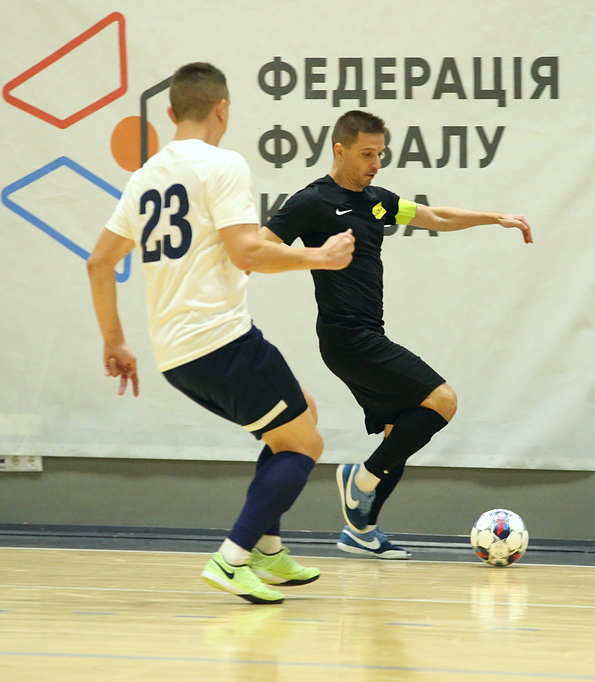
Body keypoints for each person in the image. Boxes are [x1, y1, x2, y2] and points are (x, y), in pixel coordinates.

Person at [86, 63, 355, 603]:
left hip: (175, 354)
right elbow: (247, 253)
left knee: (299, 413)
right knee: (306, 444)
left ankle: (267, 550)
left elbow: (99, 263)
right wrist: (320, 257)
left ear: (170, 111)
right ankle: (232, 557)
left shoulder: (145, 177)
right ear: (223, 108)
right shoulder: (222, 164)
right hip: (219, 339)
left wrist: (114, 341)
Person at [261, 110, 531, 560]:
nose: (376, 163)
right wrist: (317, 256)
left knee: (400, 431)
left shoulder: (377, 202)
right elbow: (260, 248)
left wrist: (494, 217)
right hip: (347, 337)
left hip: (366, 332)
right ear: (340, 150)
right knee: (442, 400)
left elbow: (435, 217)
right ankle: (361, 480)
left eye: (381, 154)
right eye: (367, 154)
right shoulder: (313, 202)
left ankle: (360, 531)